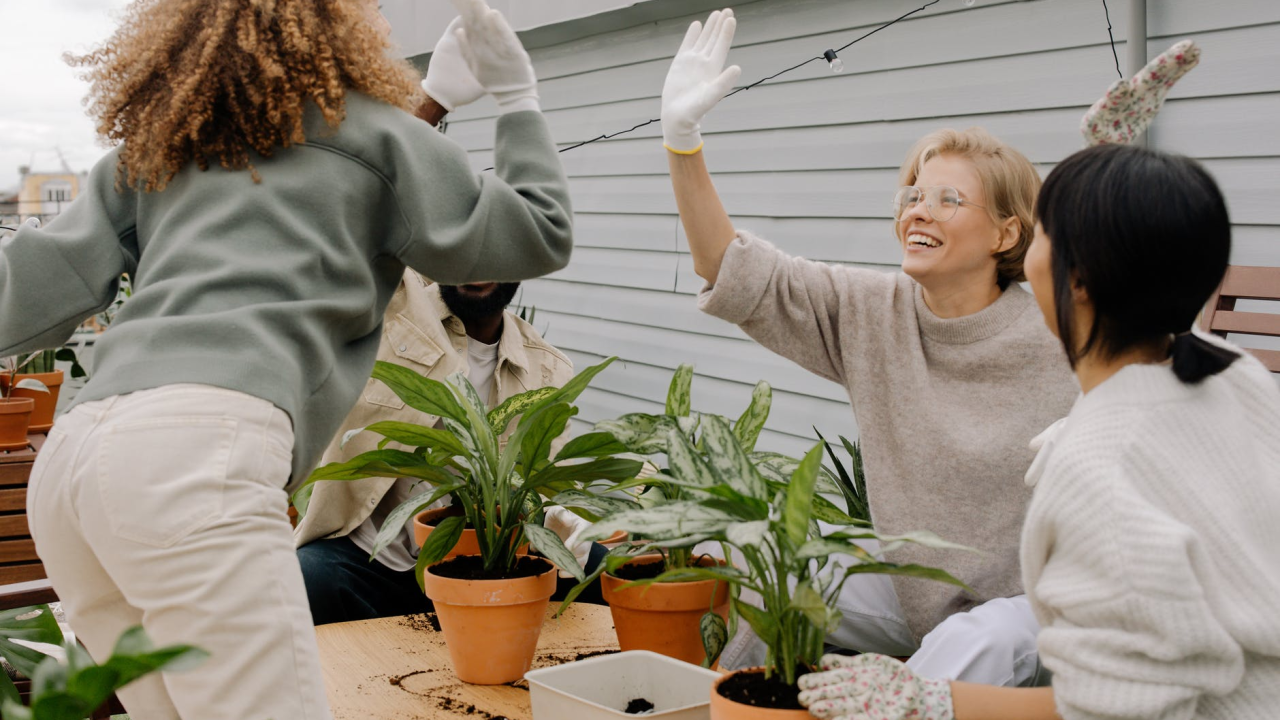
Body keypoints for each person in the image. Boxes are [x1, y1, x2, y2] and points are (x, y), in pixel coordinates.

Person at [2, 0, 572, 718]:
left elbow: (17, 300)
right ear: (342, 29)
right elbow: (538, 233)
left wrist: (433, 104)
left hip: (71, 472)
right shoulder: (379, 135)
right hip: (193, 457)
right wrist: (517, 99)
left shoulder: (161, 146)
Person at [662, 10, 1079, 685]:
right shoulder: (871, 310)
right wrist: (683, 144)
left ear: (1006, 233)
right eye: (913, 194)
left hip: (1034, 609)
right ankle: (724, 703)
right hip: (916, 592)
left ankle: (884, 703)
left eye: (948, 199)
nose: (918, 210)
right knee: (792, 568)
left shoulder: (1061, 331)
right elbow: (733, 271)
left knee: (988, 638)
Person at [798, 143, 1280, 720]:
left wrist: (930, 698)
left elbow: (1118, 707)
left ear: (1076, 280)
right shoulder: (1235, 373)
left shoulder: (1091, 470)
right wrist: (1115, 165)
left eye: (1043, 231)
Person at [296, 273, 607, 623]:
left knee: (604, 570)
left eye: (498, 248)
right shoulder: (390, 309)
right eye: (468, 245)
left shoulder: (548, 370)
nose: (478, 264)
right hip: (373, 562)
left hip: (486, 565)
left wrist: (559, 517)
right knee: (304, 579)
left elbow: (544, 485)